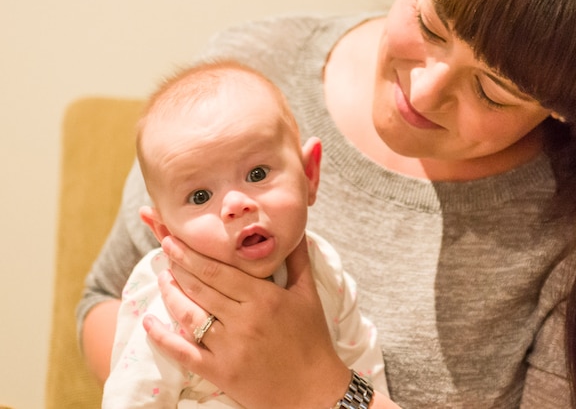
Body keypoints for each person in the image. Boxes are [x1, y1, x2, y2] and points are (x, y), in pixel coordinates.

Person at [78, 0, 576, 407]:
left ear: (571, 106)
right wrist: (190, 372)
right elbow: (104, 301)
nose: (423, 92)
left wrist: (318, 391)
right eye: (432, 22)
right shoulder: (248, 79)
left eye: (495, 89)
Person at [101, 62, 387, 407]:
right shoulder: (170, 295)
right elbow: (135, 395)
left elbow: (361, 360)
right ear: (164, 232)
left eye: (257, 173)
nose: (237, 204)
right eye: (200, 196)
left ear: (309, 174)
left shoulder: (325, 266)